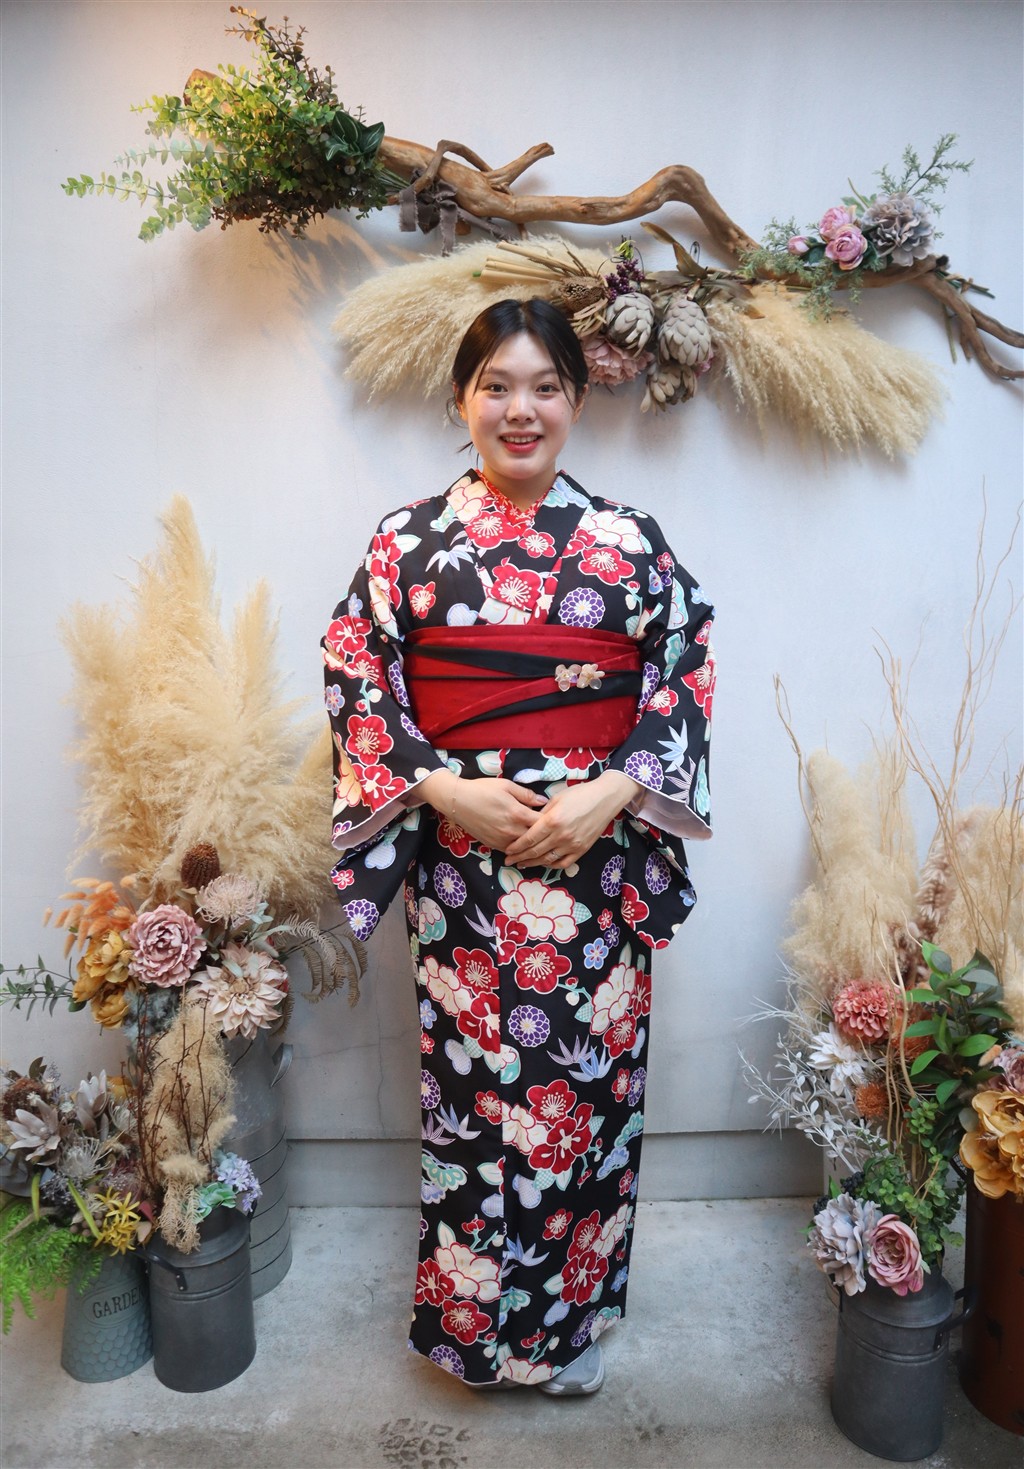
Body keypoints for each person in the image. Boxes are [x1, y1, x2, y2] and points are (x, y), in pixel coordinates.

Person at [322, 297, 714, 1394]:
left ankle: (566, 1329)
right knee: (471, 1098)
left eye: (545, 385)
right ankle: (476, 1328)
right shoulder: (406, 540)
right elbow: (356, 666)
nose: (520, 408)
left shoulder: (630, 540)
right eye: (495, 385)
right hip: (460, 871)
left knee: (583, 1100)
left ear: (579, 399)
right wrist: (443, 785)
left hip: (597, 864)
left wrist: (614, 790)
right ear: (462, 398)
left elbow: (685, 664)